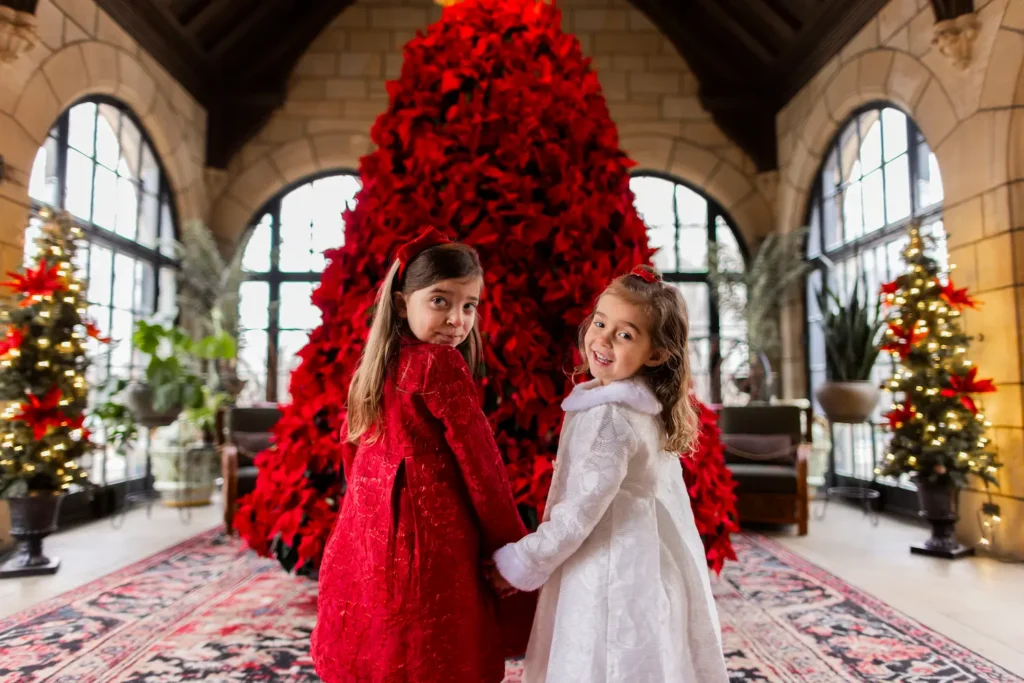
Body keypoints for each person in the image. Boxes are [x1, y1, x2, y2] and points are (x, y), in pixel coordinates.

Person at [312, 228, 532, 683]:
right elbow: (482, 467)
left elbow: (352, 458)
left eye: (469, 305)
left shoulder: (372, 369)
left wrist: (362, 518)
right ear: (400, 303)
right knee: (436, 648)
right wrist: (512, 549)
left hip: (366, 531)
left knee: (385, 637)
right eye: (440, 301)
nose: (457, 319)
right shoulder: (440, 364)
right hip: (432, 541)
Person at [491, 265, 729, 683]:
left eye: (625, 334)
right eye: (600, 322)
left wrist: (523, 561)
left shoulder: (609, 417)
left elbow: (579, 514)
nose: (601, 339)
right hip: (649, 560)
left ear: (655, 354)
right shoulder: (636, 406)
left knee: (604, 655)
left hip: (609, 564)